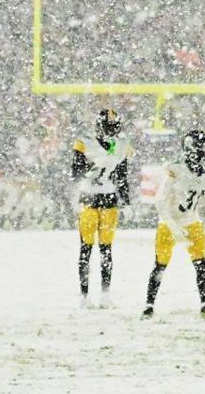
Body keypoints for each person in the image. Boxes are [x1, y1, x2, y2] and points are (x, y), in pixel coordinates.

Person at [143, 128, 205, 319]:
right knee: (160, 264)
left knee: (201, 263)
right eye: (203, 147)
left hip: (192, 221)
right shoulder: (175, 169)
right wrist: (173, 226)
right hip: (170, 223)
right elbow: (160, 201)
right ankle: (148, 305)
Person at [70, 108, 130, 309]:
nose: (113, 131)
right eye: (109, 127)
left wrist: (127, 201)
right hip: (88, 198)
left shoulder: (120, 145)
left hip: (110, 199)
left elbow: (122, 176)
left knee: (106, 250)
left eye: (114, 127)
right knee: (86, 249)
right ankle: (84, 294)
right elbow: (75, 173)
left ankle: (105, 293)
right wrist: (92, 168)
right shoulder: (85, 143)